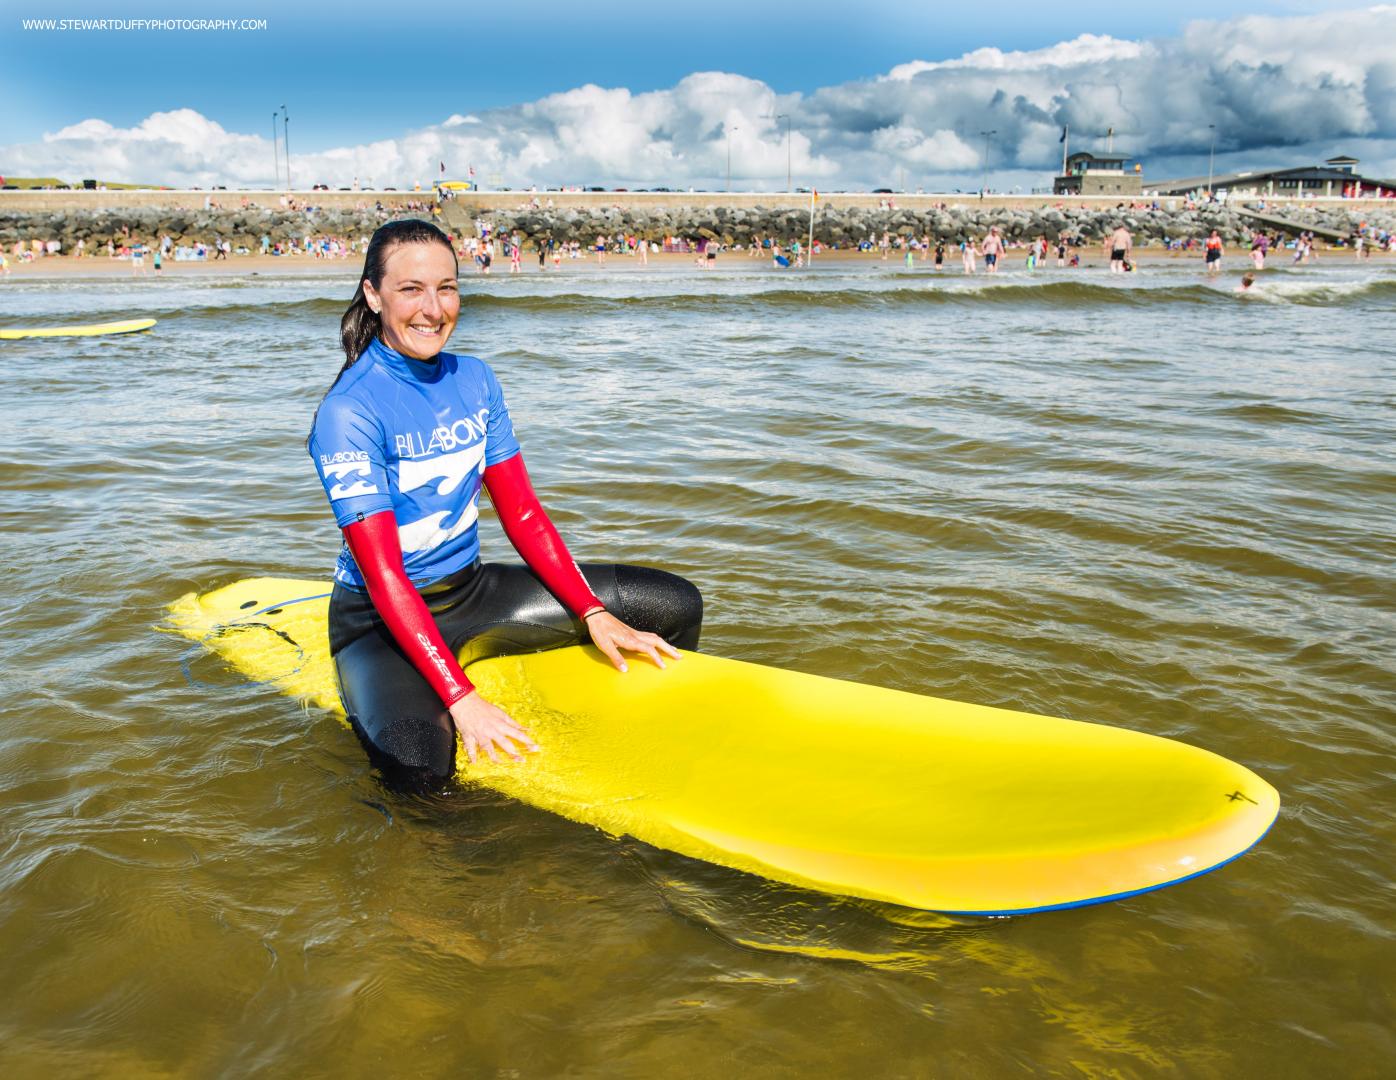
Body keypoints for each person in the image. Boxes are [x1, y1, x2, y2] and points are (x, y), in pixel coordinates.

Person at [308, 220, 702, 787]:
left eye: (447, 287)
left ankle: (646, 740)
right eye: (411, 289)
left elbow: (521, 514)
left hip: (469, 593)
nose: (433, 308)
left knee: (672, 604)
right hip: (380, 624)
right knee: (420, 771)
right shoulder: (349, 411)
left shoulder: (475, 379)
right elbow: (386, 575)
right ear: (374, 295)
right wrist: (461, 700)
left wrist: (594, 613)